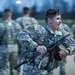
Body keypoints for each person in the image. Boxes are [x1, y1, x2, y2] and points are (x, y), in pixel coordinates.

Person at [17, 9, 75, 75]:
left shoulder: (62, 33)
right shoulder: (39, 29)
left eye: (60, 19)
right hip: (32, 70)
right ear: (49, 20)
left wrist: (67, 51)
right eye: (57, 19)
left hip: (48, 70)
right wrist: (36, 47)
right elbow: (21, 35)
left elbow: (73, 44)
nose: (60, 21)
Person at [0, 9, 22, 75]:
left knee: (4, 67)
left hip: (5, 47)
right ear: (11, 15)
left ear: (4, 15)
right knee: (14, 67)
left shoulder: (1, 25)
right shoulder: (17, 25)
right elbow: (21, 38)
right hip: (15, 47)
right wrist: (20, 49)